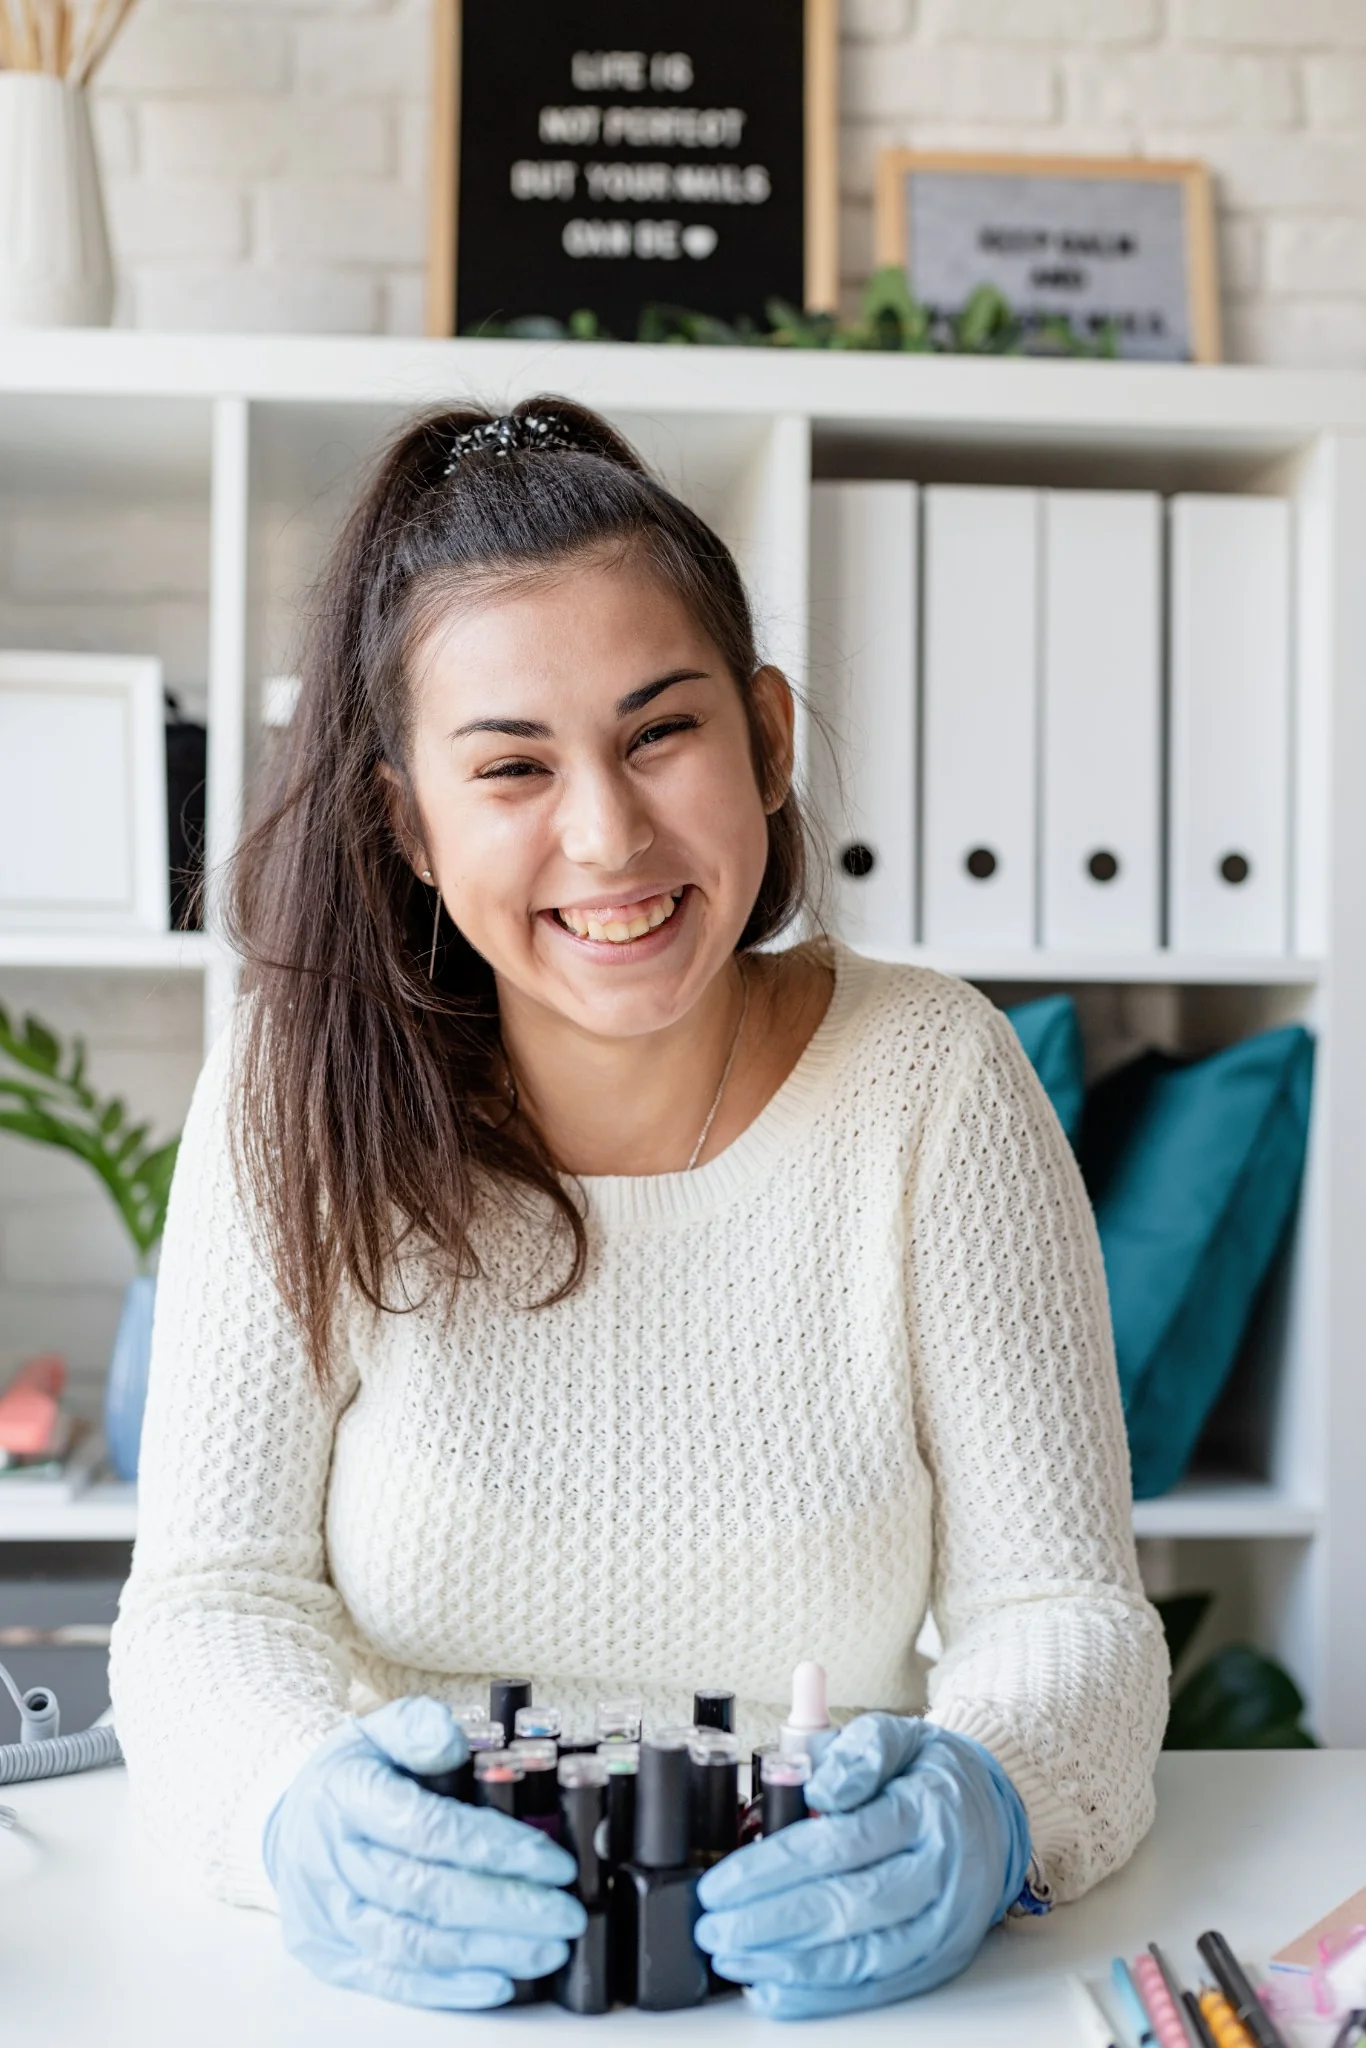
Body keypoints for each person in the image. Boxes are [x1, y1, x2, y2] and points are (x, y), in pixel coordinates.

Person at [110, 397, 1167, 2021]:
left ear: (764, 730)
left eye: (659, 732)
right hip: (404, 2005)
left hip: (834, 2001)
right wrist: (286, 1808)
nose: (605, 834)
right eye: (511, 767)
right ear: (407, 821)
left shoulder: (934, 1078)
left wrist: (1001, 1805)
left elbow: (1061, 1610)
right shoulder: (288, 1090)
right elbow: (207, 1607)